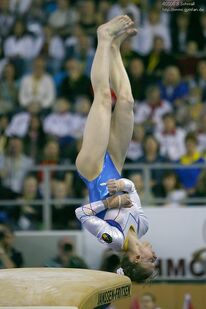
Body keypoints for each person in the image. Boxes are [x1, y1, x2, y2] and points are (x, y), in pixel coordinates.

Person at [75, 16, 156, 283]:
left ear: (135, 259)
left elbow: (82, 213)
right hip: (115, 168)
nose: (154, 253)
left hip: (93, 169)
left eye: (150, 259)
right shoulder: (142, 226)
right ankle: (114, 48)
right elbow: (131, 189)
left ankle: (103, 38)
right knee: (126, 102)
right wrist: (123, 185)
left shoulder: (113, 239)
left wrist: (110, 203)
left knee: (101, 99)